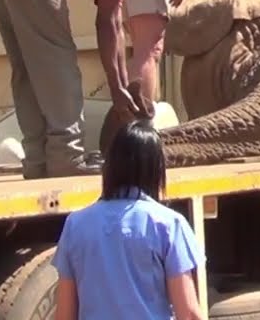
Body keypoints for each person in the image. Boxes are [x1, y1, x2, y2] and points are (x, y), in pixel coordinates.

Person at [0, 0, 180, 178]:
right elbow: (107, 24)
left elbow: (112, 26)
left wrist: (123, 87)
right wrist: (117, 89)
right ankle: (67, 156)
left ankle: (37, 160)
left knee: (28, 68)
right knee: (59, 61)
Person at [52, 120, 206, 320]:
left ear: (110, 166)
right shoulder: (169, 225)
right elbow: (188, 314)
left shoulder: (76, 224)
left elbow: (64, 315)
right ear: (156, 169)